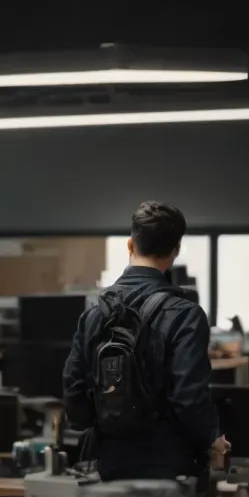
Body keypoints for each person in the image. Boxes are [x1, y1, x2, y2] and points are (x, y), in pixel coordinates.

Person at [63, 201, 227, 482]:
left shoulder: (94, 314)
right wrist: (211, 442)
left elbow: (74, 397)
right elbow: (189, 401)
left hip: (109, 466)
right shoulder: (185, 315)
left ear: (130, 245)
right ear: (176, 250)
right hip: (170, 467)